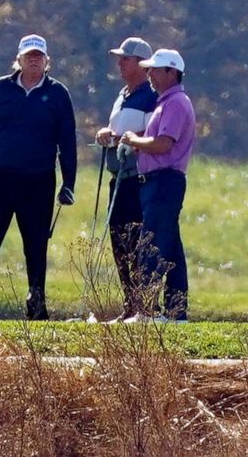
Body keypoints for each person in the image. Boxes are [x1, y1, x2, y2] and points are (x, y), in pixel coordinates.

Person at [0, 34, 77, 321]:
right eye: (29, 55)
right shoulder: (1, 88)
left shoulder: (58, 94)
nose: (34, 60)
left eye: (39, 56)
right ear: (18, 59)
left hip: (39, 181)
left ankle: (36, 309)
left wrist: (68, 182)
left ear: (47, 61)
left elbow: (67, 140)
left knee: (36, 245)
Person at [120, 48, 195, 323]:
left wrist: (132, 141)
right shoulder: (166, 102)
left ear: (171, 72)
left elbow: (164, 143)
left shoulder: (175, 102)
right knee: (171, 247)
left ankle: (148, 311)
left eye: (155, 69)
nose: (149, 74)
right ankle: (176, 312)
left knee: (152, 244)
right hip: (159, 182)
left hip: (164, 180)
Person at [94, 37, 158, 321]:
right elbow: (117, 129)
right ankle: (130, 305)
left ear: (142, 65)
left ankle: (143, 306)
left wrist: (122, 139)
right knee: (119, 241)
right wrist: (103, 134)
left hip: (137, 179)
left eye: (126, 59)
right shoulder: (123, 95)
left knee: (136, 241)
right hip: (117, 178)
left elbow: (152, 135)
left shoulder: (151, 97)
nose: (120, 63)